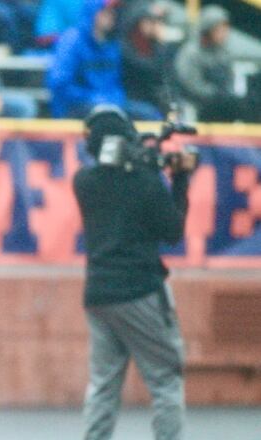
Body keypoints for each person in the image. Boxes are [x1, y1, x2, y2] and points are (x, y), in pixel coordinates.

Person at [74, 105, 194, 439]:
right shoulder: (144, 181)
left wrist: (146, 159)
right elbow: (172, 231)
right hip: (140, 291)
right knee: (166, 380)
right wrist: (180, 179)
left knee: (103, 385)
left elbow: (118, 175)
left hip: (99, 294)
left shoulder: (84, 181)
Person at [46, 0, 162, 120]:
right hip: (75, 108)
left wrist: (113, 98)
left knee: (150, 114)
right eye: (105, 11)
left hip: (111, 104)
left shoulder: (112, 42)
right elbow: (59, 84)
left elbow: (116, 81)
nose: (111, 15)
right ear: (93, 12)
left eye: (112, 11)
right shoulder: (72, 40)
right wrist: (94, 98)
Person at [173, 5, 255, 123]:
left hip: (221, 100)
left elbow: (229, 78)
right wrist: (215, 95)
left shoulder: (223, 51)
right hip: (199, 102)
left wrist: (226, 94)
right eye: (219, 29)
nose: (224, 33)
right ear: (208, 30)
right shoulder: (191, 52)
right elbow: (192, 84)